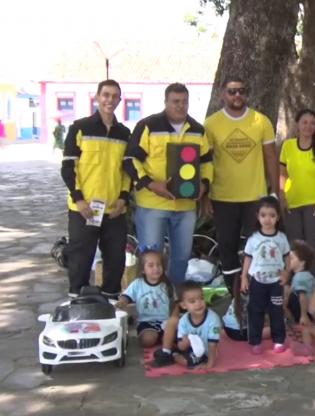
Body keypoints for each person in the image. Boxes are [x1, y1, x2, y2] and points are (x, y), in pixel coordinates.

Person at [125, 83, 214, 286]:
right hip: (152, 205)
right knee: (151, 258)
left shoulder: (198, 130)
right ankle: (149, 302)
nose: (180, 106)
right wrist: (150, 184)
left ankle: (174, 300)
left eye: (184, 102)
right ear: (166, 102)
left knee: (181, 258)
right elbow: (130, 160)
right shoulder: (148, 126)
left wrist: (204, 185)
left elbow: (207, 163)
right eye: (175, 101)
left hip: (185, 207)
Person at [203, 78, 278, 295]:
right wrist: (205, 197)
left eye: (242, 91)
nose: (237, 96)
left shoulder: (261, 121)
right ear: (223, 94)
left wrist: (275, 193)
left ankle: (256, 291)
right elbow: (205, 162)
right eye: (232, 91)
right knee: (226, 247)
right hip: (222, 196)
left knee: (258, 247)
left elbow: (271, 157)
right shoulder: (211, 124)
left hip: (254, 197)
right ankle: (235, 293)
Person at [60, 79, 131, 299]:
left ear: (119, 100)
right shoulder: (80, 128)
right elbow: (68, 169)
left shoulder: (125, 133)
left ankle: (110, 300)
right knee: (81, 258)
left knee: (115, 259)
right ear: (97, 97)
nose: (110, 100)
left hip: (114, 210)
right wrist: (79, 200)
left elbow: (128, 170)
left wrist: (123, 198)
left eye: (114, 96)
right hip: (85, 208)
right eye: (106, 95)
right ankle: (77, 300)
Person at [240, 196, 291, 354]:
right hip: (257, 282)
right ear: (257, 216)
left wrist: (286, 273)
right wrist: (244, 278)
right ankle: (255, 341)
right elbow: (248, 258)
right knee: (256, 311)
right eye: (263, 215)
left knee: (276, 311)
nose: (267, 219)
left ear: (278, 217)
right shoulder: (253, 239)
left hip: (276, 282)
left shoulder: (281, 238)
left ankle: (279, 340)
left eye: (272, 215)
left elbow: (288, 257)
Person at [280, 109, 315, 250]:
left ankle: (311, 273)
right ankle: (295, 273)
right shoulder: (288, 146)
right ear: (297, 124)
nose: (308, 126)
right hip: (292, 203)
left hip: (314, 204)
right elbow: (283, 174)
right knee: (295, 246)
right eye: (304, 122)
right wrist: (282, 199)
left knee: (311, 247)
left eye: (312, 123)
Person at [117, 249, 174, 348]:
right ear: (143, 270)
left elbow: (175, 303)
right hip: (146, 322)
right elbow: (126, 296)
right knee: (147, 340)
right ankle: (159, 339)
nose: (156, 268)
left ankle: (163, 338)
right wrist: (122, 302)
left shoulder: (167, 284)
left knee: (179, 339)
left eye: (158, 265)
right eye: (151, 265)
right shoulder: (137, 284)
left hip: (166, 322)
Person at [171, 282, 222, 370]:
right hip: (189, 348)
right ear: (183, 305)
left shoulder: (214, 319)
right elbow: (181, 346)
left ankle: (173, 355)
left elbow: (213, 344)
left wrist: (210, 364)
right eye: (192, 301)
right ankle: (171, 352)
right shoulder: (183, 320)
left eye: (201, 298)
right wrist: (186, 342)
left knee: (186, 362)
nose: (198, 303)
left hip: (205, 352)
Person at [284, 241, 315, 330]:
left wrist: (304, 315)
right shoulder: (308, 275)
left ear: (302, 263)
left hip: (303, 312)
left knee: (285, 292)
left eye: (291, 259)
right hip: (308, 312)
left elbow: (302, 296)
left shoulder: (300, 277)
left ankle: (290, 319)